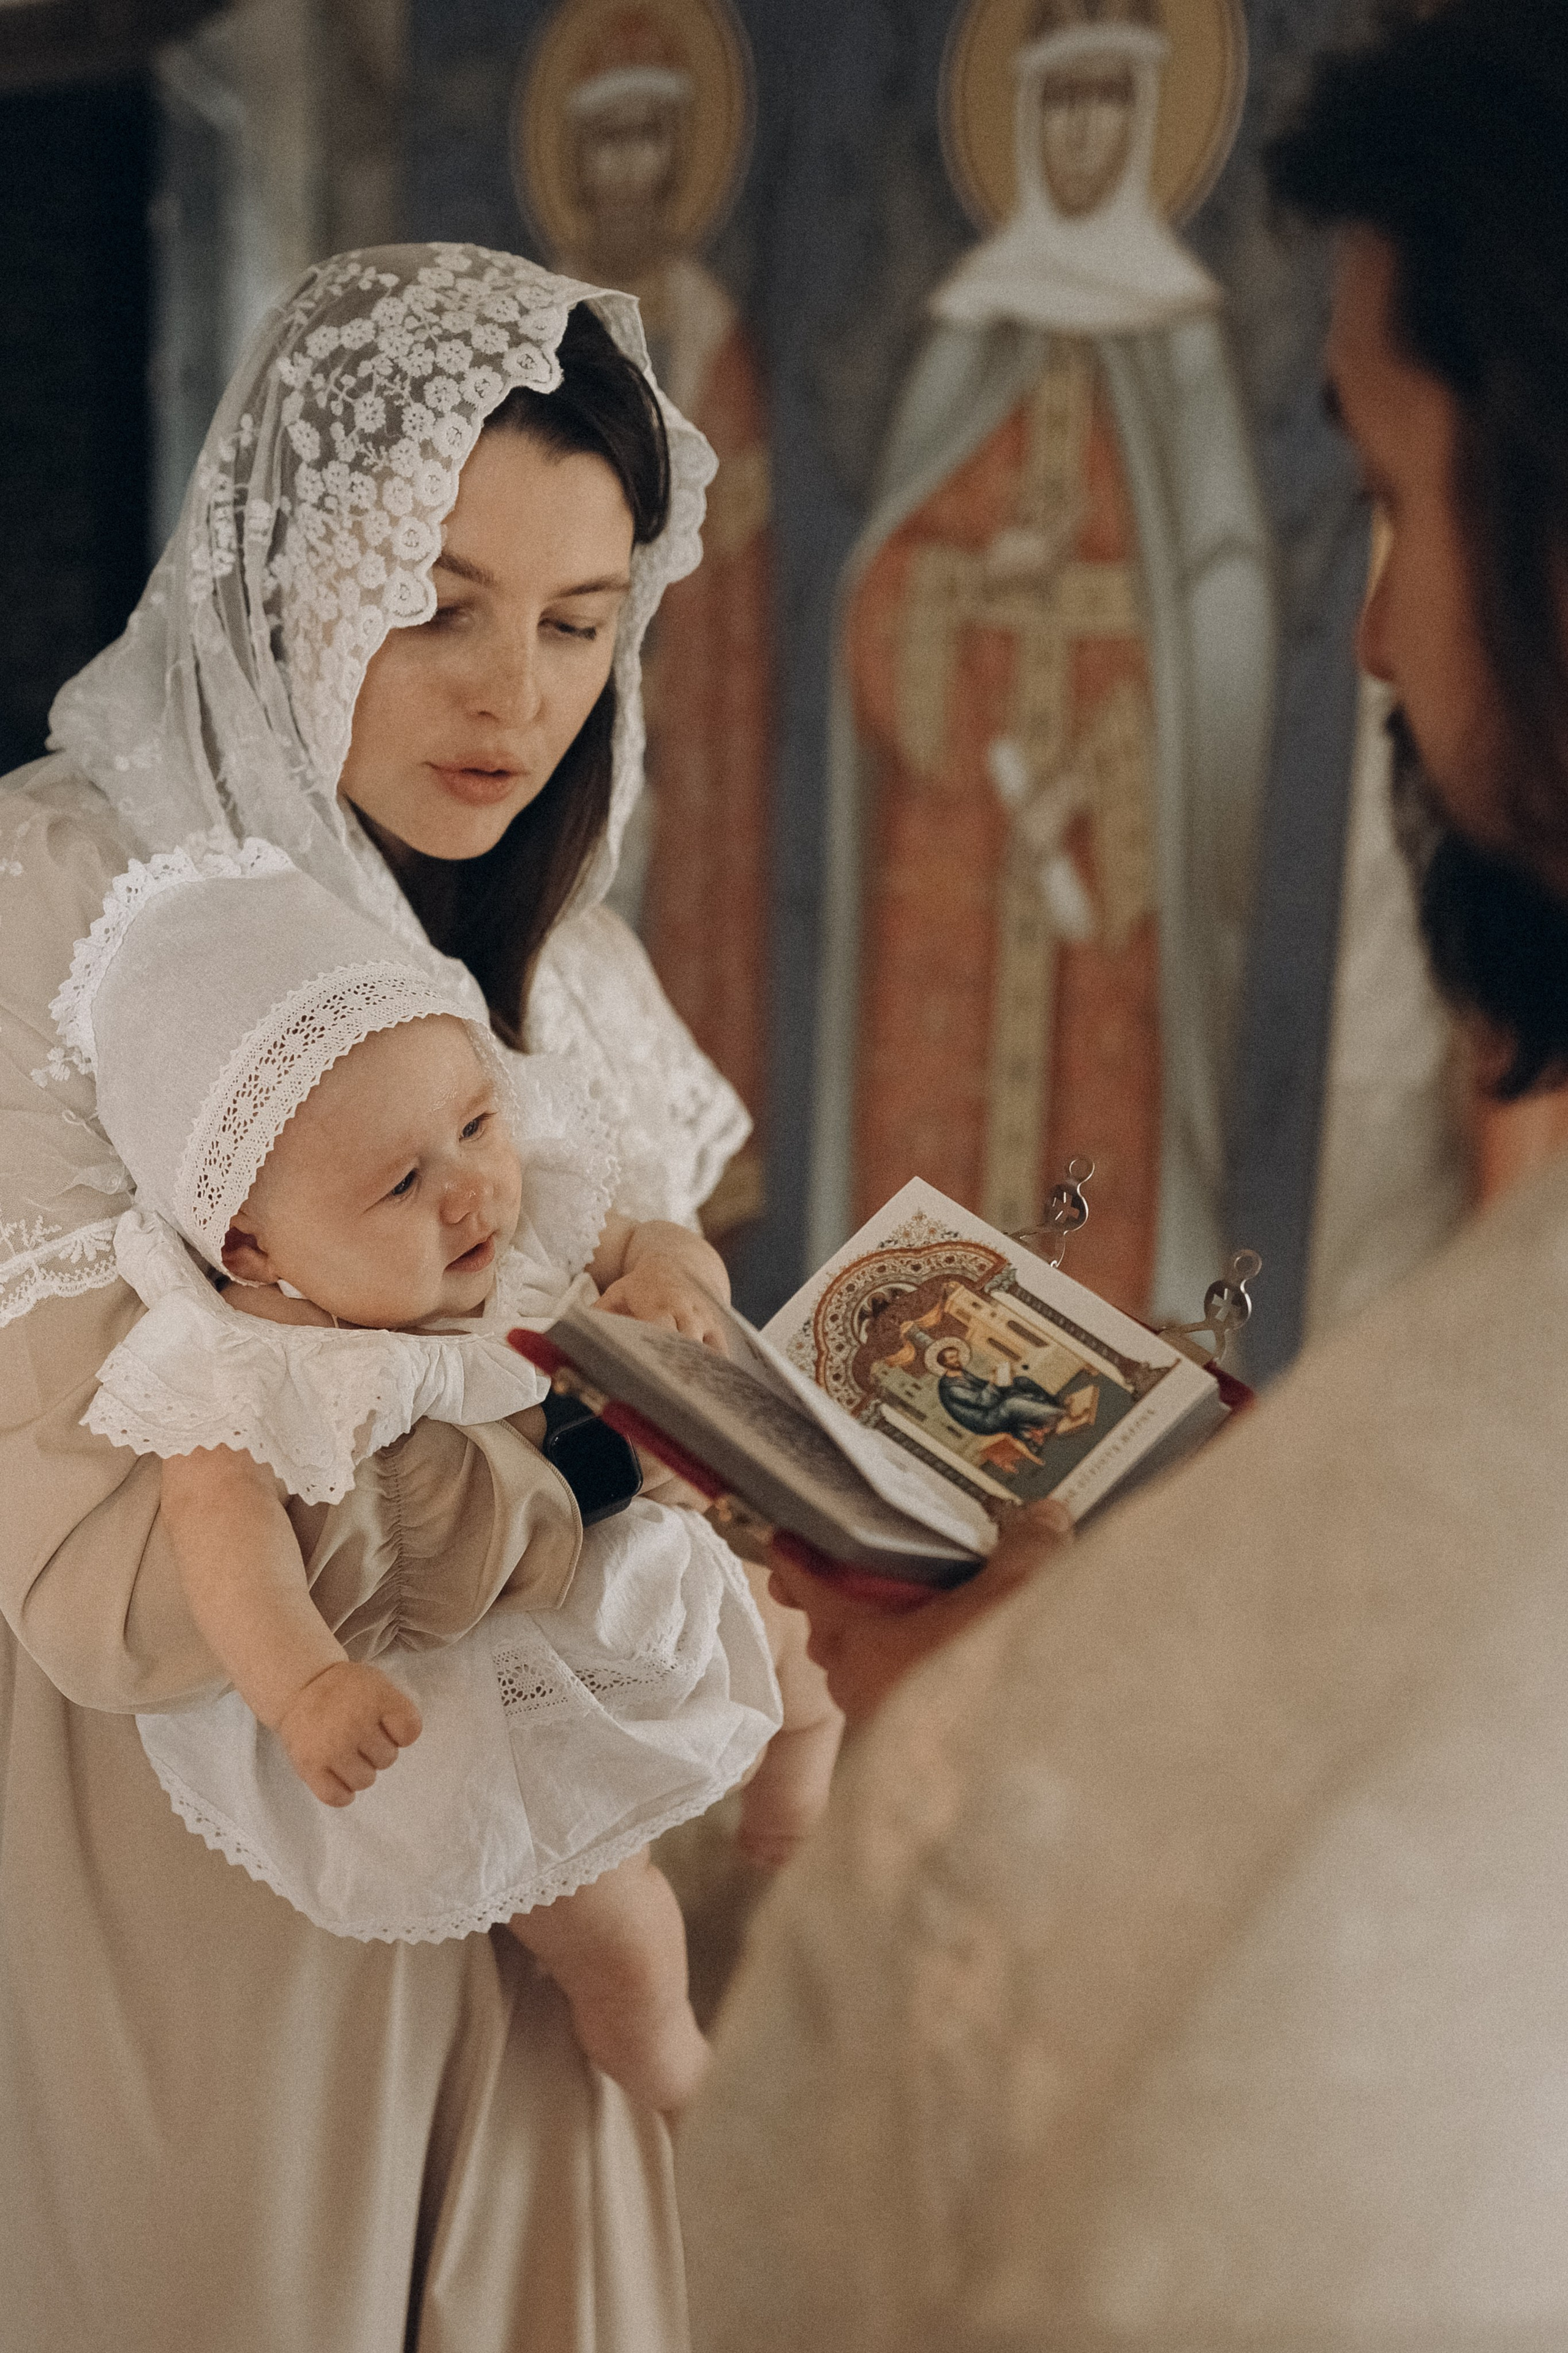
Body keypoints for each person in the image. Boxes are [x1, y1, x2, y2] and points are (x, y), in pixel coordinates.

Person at [680, 4, 1568, 2343]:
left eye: (1394, 496)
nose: (1367, 627)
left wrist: (999, 1755)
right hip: (981, 874)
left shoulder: (1126, 1767)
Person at [0, 241, 751, 2350]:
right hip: (215, 1919)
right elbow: (113, 1583)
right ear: (289, 564)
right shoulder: (59, 893)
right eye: (436, 608)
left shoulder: (552, 949)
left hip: (535, 1914)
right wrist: (593, 1458)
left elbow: (645, 1296)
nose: (514, 697)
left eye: (581, 625)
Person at [61, 843, 829, 2114]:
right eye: (402, 1183)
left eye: (475, 1123)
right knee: (618, 1920)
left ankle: (798, 1772)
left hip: (632, 1549)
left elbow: (652, 1229)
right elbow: (220, 1523)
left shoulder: (514, 1209)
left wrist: (670, 1284)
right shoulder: (251, 1355)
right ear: (253, 1241)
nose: (471, 1190)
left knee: (789, 1618)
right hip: (472, 1680)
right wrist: (305, 1686)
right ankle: (661, 2054)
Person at [809, 0, 1274, 1318]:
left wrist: (1139, 753)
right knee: (937, 1172)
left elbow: (1226, 586)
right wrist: (973, 583)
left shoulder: (1182, 344)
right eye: (1057, 100)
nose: (1080, 132)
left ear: (1141, 121)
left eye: (1106, 102)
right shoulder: (970, 330)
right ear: (1019, 119)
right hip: (954, 831)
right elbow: (878, 587)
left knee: (1094, 1142)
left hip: (1114, 818)